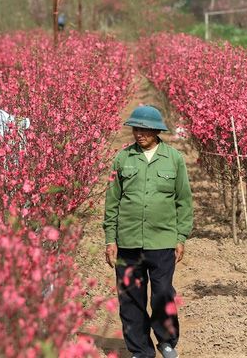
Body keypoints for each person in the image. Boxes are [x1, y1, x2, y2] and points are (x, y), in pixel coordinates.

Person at [104, 105, 193, 358]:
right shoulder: (122, 158)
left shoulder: (173, 159)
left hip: (162, 239)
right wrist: (110, 239)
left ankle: (166, 341)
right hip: (128, 240)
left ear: (156, 130)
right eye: (135, 128)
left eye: (144, 129)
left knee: (163, 292)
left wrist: (181, 237)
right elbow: (112, 201)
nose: (139, 133)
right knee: (131, 297)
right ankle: (140, 350)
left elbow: (183, 200)